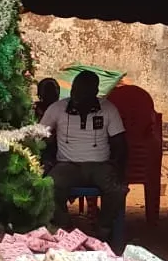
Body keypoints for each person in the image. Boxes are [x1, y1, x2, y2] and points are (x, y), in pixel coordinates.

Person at [41, 70, 128, 249]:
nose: (76, 96)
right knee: (49, 186)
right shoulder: (57, 108)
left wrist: (118, 168)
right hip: (67, 164)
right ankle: (66, 228)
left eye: (83, 93)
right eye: (75, 91)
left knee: (118, 190)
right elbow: (40, 136)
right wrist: (47, 156)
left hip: (100, 165)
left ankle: (103, 230)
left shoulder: (108, 109)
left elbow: (120, 142)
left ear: (95, 93)